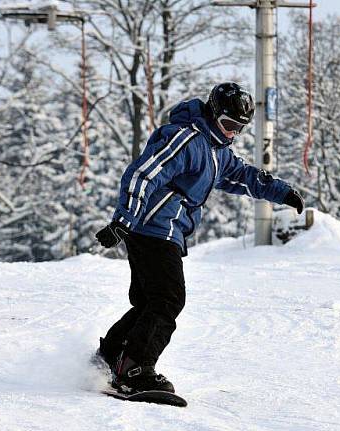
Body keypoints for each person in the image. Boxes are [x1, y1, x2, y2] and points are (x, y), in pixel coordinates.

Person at [93, 82, 305, 395]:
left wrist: (282, 192)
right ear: (214, 114)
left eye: (240, 128)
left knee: (150, 301)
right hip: (153, 228)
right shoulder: (187, 138)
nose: (233, 133)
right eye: (229, 125)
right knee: (168, 299)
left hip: (166, 231)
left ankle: (109, 358)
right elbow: (144, 173)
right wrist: (123, 219)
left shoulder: (217, 150)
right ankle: (134, 368)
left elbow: (245, 177)